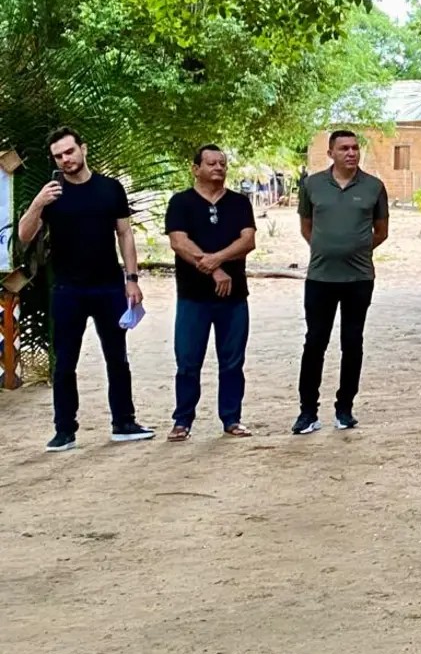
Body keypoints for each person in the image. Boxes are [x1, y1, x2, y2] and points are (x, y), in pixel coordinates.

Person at [17, 127, 155, 452]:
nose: (66, 159)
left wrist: (132, 279)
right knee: (65, 362)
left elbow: (125, 234)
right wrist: (39, 202)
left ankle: (124, 422)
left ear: (84, 148)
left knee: (117, 358)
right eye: (59, 156)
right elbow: (25, 235)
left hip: (108, 287)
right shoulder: (52, 195)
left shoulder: (110, 189)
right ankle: (64, 430)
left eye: (70, 151)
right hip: (67, 290)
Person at [294, 130, 389, 434]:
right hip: (321, 277)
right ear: (331, 153)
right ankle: (308, 411)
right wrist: (328, 248)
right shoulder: (312, 185)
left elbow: (381, 231)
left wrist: (356, 249)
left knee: (352, 342)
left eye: (355, 148)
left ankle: (345, 408)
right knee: (315, 342)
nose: (351, 153)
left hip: (359, 278)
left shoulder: (374, 187)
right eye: (344, 148)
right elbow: (307, 227)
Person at [164, 145, 258, 440]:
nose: (218, 167)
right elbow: (179, 242)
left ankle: (231, 418)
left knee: (232, 361)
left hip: (234, 298)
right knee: (188, 361)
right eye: (211, 163)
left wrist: (218, 258)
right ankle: (182, 420)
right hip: (193, 298)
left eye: (222, 163)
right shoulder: (181, 203)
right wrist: (214, 268)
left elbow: (248, 241)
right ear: (196, 169)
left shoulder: (239, 203)